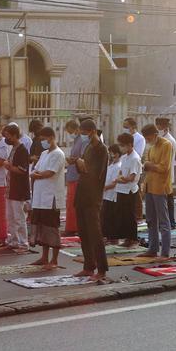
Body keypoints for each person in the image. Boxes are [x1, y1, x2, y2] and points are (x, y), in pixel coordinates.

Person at [71, 119, 110, 281]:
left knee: (95, 233)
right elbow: (83, 171)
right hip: (82, 194)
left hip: (93, 196)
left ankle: (101, 269)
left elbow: (96, 174)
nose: (83, 136)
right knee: (83, 232)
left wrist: (82, 164)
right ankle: (88, 266)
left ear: (93, 132)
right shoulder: (87, 147)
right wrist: (77, 163)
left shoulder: (102, 150)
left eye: (85, 133)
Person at [30, 127, 67, 270]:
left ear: (51, 138)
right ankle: (44, 256)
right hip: (39, 196)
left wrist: (37, 175)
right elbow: (36, 169)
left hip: (51, 196)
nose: (43, 142)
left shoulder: (58, 154)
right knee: (42, 227)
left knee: (52, 228)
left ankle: (55, 259)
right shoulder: (44, 153)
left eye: (45, 139)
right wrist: (37, 174)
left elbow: (50, 172)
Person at [140, 123, 174, 257]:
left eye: (148, 138)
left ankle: (165, 253)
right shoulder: (151, 147)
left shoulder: (166, 145)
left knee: (163, 222)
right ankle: (152, 249)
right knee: (150, 220)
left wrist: (149, 165)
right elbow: (146, 164)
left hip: (161, 187)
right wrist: (148, 166)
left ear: (154, 135)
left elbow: (164, 167)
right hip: (149, 186)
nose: (147, 141)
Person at [1, 124, 31, 251]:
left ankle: (23, 242)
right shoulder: (13, 148)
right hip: (10, 188)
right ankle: (13, 240)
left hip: (18, 188)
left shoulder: (22, 150)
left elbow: (22, 170)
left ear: (14, 136)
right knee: (10, 216)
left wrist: (9, 167)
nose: (6, 139)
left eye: (8, 136)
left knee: (19, 217)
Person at [62, 119, 84, 236]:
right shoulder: (76, 141)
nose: (70, 134)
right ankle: (71, 227)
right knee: (70, 204)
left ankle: (74, 228)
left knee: (74, 204)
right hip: (72, 175)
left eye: (70, 131)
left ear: (76, 129)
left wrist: (72, 160)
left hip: (77, 176)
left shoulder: (83, 141)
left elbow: (83, 158)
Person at [102, 144, 123, 242]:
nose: (111, 155)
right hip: (106, 195)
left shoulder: (119, 166)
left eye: (113, 153)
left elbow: (114, 183)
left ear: (117, 154)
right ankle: (108, 236)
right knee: (106, 217)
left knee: (112, 217)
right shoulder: (111, 165)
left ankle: (114, 238)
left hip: (113, 194)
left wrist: (104, 188)